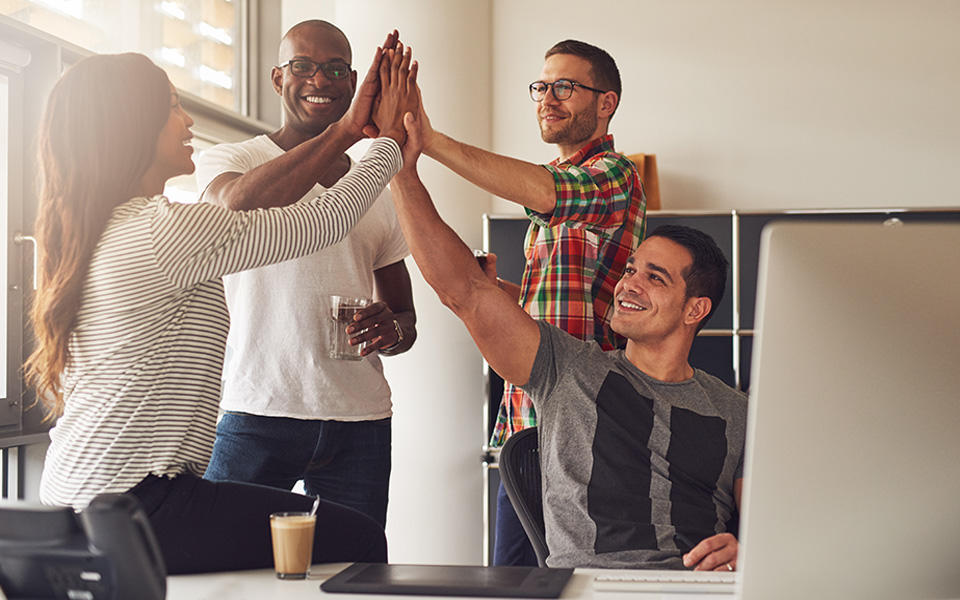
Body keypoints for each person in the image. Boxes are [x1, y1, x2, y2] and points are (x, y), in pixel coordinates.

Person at [26, 42, 418, 574]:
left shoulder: (91, 235)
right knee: (360, 542)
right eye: (171, 107)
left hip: (80, 490)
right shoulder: (162, 231)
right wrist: (387, 143)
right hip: (136, 501)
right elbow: (323, 219)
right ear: (132, 125)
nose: (187, 120)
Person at [386, 110, 745, 569]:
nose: (629, 283)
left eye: (654, 278)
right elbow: (464, 291)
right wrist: (400, 165)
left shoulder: (734, 411)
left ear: (695, 309)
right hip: (588, 588)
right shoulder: (569, 369)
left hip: (699, 590)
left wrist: (751, 549)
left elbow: (774, 528)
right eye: (631, 269)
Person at [415, 39, 647, 565]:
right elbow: (568, 301)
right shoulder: (557, 186)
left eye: (565, 86)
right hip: (526, 421)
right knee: (512, 582)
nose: (548, 97)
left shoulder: (614, 175)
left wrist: (429, 141)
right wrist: (502, 292)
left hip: (583, 425)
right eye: (542, 86)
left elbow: (548, 193)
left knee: (575, 580)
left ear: (605, 102)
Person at [196, 20, 416, 528]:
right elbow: (236, 204)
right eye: (303, 67)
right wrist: (346, 131)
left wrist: (393, 328)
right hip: (255, 411)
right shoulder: (233, 160)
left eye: (335, 69)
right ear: (278, 79)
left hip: (358, 421)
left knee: (352, 570)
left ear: (353, 80)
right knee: (225, 561)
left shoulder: (374, 191)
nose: (320, 80)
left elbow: (407, 322)